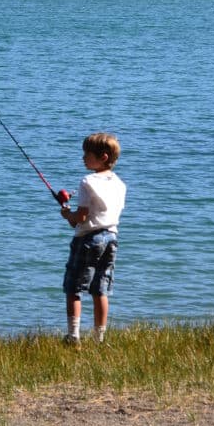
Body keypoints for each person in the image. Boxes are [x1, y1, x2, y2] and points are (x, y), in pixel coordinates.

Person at [60, 132, 126, 344]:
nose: (83, 158)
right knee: (100, 289)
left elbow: (80, 218)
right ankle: (99, 338)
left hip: (89, 239)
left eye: (87, 154)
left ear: (103, 157)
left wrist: (67, 214)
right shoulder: (119, 183)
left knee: (74, 288)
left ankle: (73, 336)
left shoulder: (87, 181)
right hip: (111, 238)